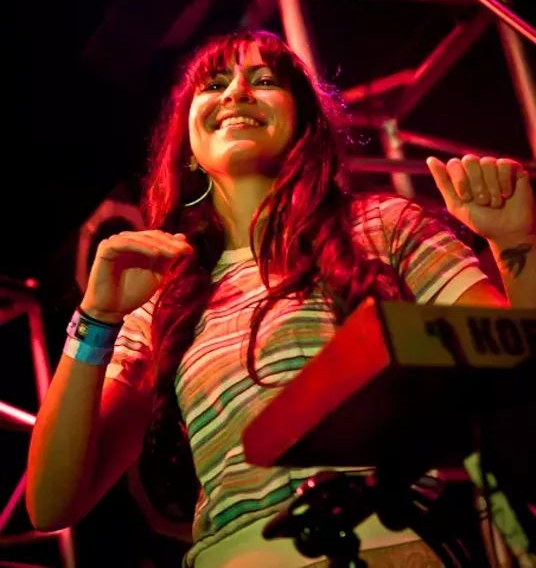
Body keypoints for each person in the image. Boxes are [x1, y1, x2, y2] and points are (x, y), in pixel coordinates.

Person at [26, 30, 535, 567]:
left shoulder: (383, 226)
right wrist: (98, 318)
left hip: (391, 548)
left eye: (264, 80)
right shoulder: (163, 293)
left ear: (303, 123)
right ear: (189, 147)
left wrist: (515, 246)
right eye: (213, 85)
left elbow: (518, 381)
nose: (236, 92)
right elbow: (52, 503)